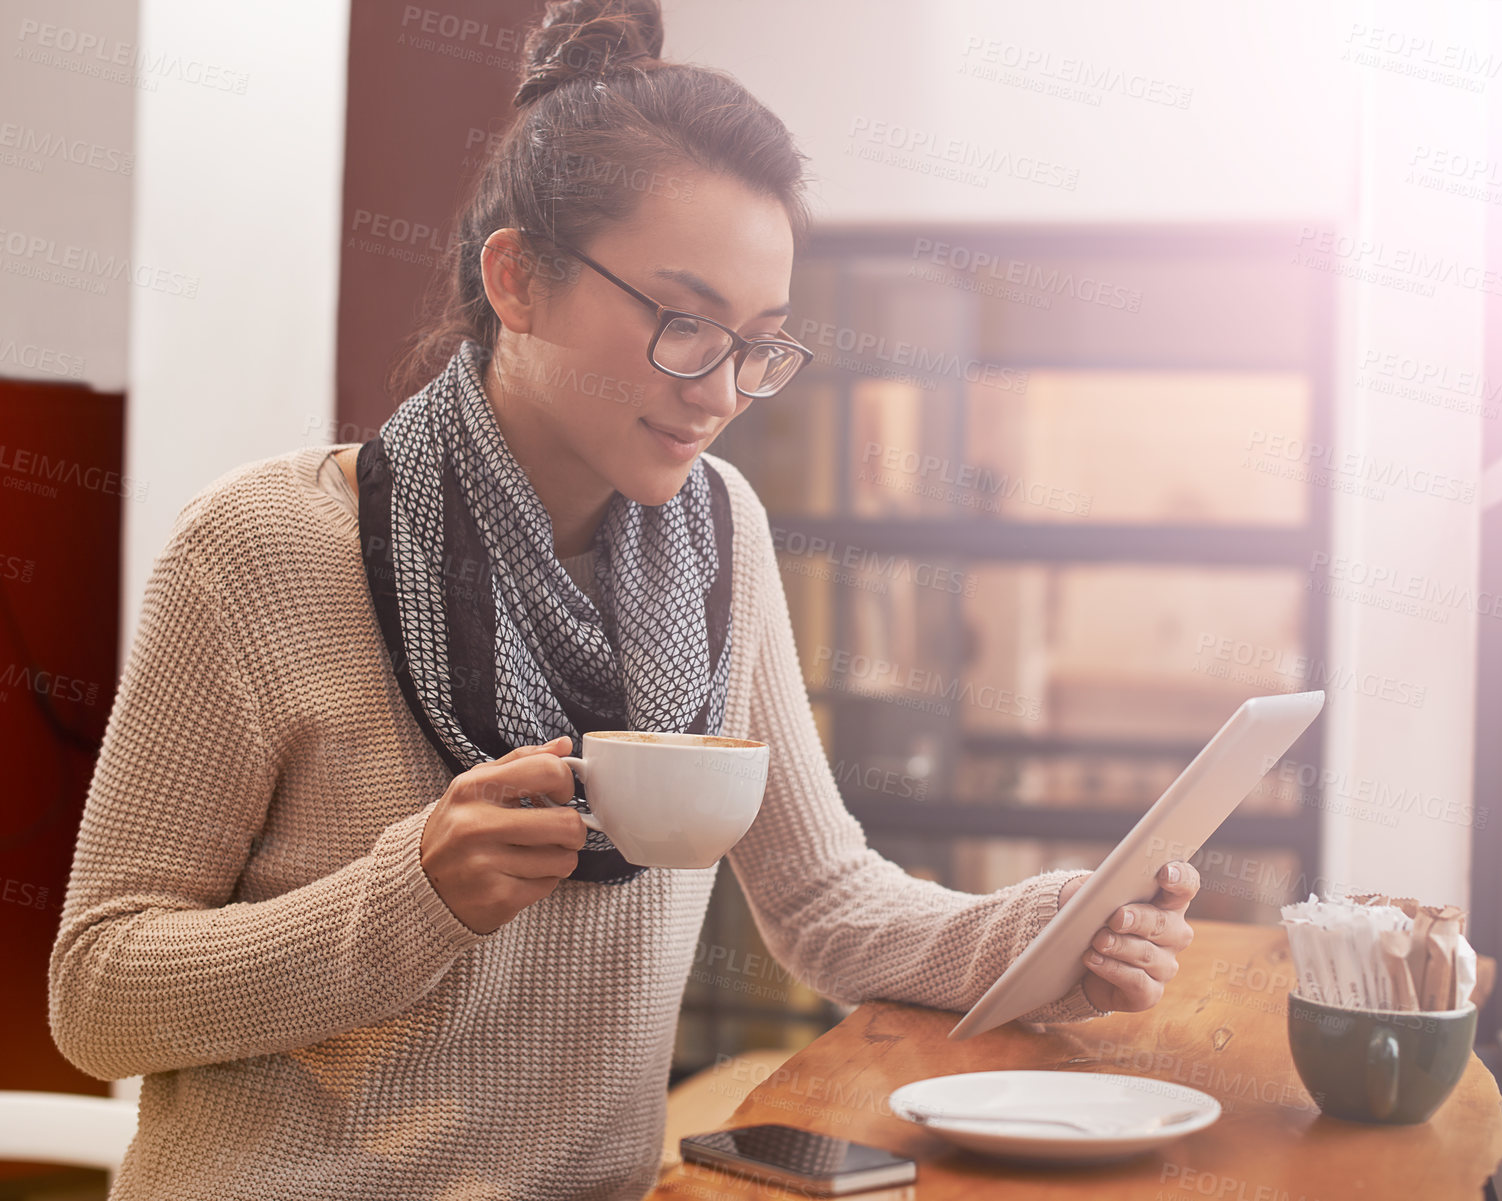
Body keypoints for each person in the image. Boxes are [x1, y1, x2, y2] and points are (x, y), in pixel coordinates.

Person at [47, 2, 1199, 1197]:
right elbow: (96, 994)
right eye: (682, 323)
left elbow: (823, 904)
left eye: (759, 343)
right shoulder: (260, 552)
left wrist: (1054, 929)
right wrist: (414, 894)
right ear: (517, 280)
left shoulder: (723, 537)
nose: (722, 392)